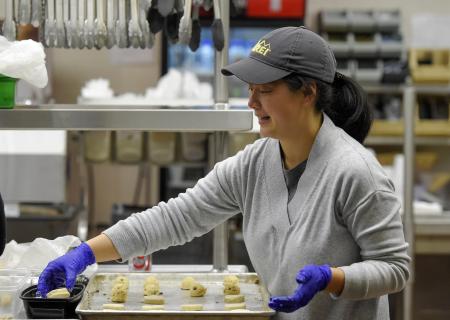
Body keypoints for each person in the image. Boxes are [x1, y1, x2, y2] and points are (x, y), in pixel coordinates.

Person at [38, 26, 410, 319]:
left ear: (308, 92)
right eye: (250, 90)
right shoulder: (255, 163)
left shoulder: (355, 172)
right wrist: (86, 252)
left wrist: (334, 278)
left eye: (264, 90)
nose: (251, 102)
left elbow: (395, 268)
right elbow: (176, 217)